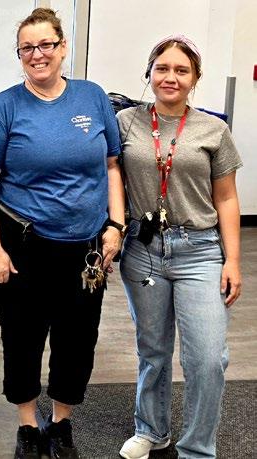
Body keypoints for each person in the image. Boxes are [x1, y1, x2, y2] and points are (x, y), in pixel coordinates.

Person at [0, 8, 125, 459]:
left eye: (45, 45)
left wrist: (116, 225)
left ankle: (60, 423)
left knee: (77, 340)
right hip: (23, 246)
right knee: (22, 337)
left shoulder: (92, 97)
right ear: (19, 54)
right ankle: (27, 427)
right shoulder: (5, 107)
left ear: (62, 47)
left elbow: (111, 166)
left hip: (86, 249)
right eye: (27, 48)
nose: (37, 54)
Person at [117, 35, 242, 459]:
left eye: (181, 70)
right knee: (153, 350)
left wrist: (233, 260)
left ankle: (197, 448)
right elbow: (109, 175)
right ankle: (152, 430)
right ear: (149, 73)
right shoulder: (126, 122)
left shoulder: (213, 129)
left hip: (199, 250)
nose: (171, 77)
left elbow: (227, 198)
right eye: (163, 68)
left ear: (194, 79)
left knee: (207, 358)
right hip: (143, 249)